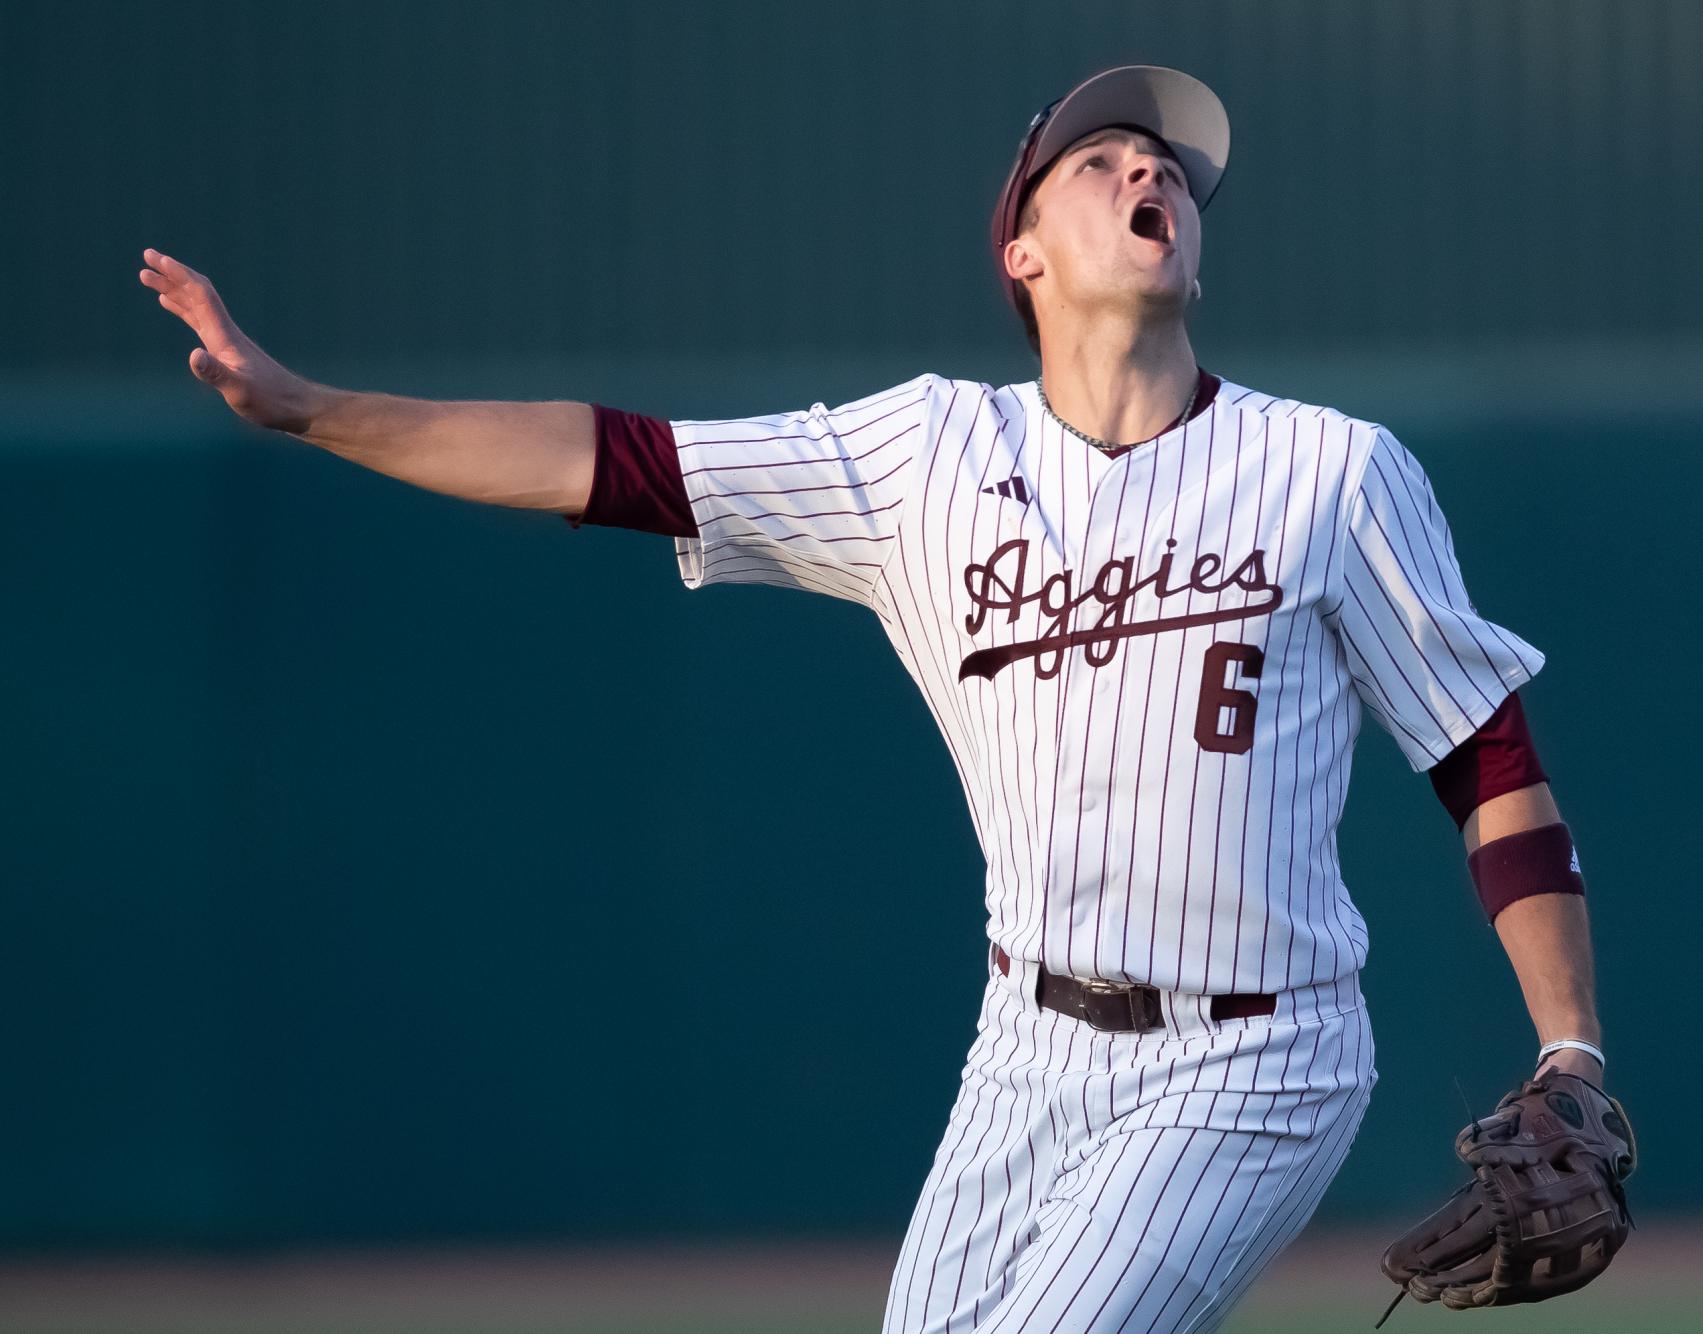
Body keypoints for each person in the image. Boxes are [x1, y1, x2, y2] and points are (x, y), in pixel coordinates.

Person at [141, 64, 1614, 1334]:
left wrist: (1569, 1050)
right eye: (1095, 161)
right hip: (1022, 1049)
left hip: (1254, 1054)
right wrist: (312, 407)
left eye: (1162, 164)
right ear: (1023, 253)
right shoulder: (923, 458)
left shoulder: (1332, 472)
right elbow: (617, 465)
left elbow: (1488, 761)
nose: (1145, 168)